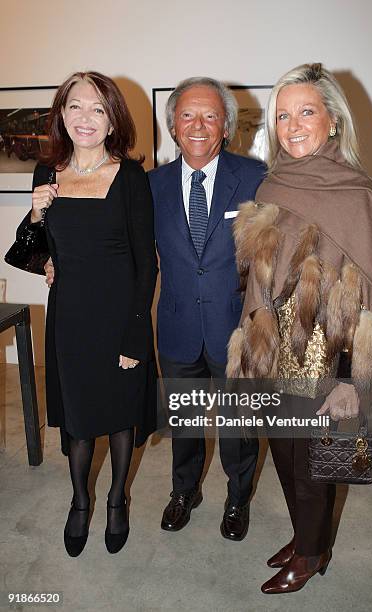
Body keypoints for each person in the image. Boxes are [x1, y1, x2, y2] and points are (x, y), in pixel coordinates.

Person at [227, 63, 372, 592]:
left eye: (306, 111)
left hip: (330, 352)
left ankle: (312, 552)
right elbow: (262, 273)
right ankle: (308, 534)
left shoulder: (359, 194)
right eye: (283, 115)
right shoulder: (274, 182)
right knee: (282, 448)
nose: (293, 124)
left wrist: (353, 380)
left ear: (334, 121)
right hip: (275, 346)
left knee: (317, 458)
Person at [13, 71, 158, 557]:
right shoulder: (45, 174)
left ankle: (117, 499)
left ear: (113, 118)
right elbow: (26, 252)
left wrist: (137, 336)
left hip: (119, 318)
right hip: (70, 320)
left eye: (97, 108)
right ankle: (80, 502)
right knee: (76, 419)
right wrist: (36, 215)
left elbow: (146, 263)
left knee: (119, 418)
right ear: (61, 114)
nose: (85, 118)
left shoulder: (131, 177)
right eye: (75, 106)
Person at [148, 77, 266, 540]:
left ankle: (238, 499)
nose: (198, 125)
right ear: (173, 125)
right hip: (177, 326)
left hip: (235, 327)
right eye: (188, 115)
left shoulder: (255, 177)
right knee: (185, 423)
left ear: (226, 126)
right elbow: (128, 252)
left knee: (239, 428)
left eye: (210, 115)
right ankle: (185, 491)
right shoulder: (150, 185)